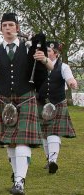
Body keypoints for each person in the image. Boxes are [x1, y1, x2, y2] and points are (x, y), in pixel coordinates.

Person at [0, 13, 53, 195]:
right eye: (5, 25)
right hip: (5, 99)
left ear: (17, 28)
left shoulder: (28, 47)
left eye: (11, 25)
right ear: (1, 29)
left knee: (22, 141)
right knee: (10, 142)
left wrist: (43, 59)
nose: (8, 28)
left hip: (26, 97)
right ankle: (16, 174)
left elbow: (50, 66)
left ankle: (19, 182)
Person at [37, 41, 77, 174]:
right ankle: (49, 159)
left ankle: (53, 161)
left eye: (49, 51)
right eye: (45, 51)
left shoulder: (63, 66)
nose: (46, 53)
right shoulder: (38, 66)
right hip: (41, 103)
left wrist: (72, 82)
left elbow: (69, 78)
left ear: (56, 54)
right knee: (44, 133)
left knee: (53, 132)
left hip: (57, 103)